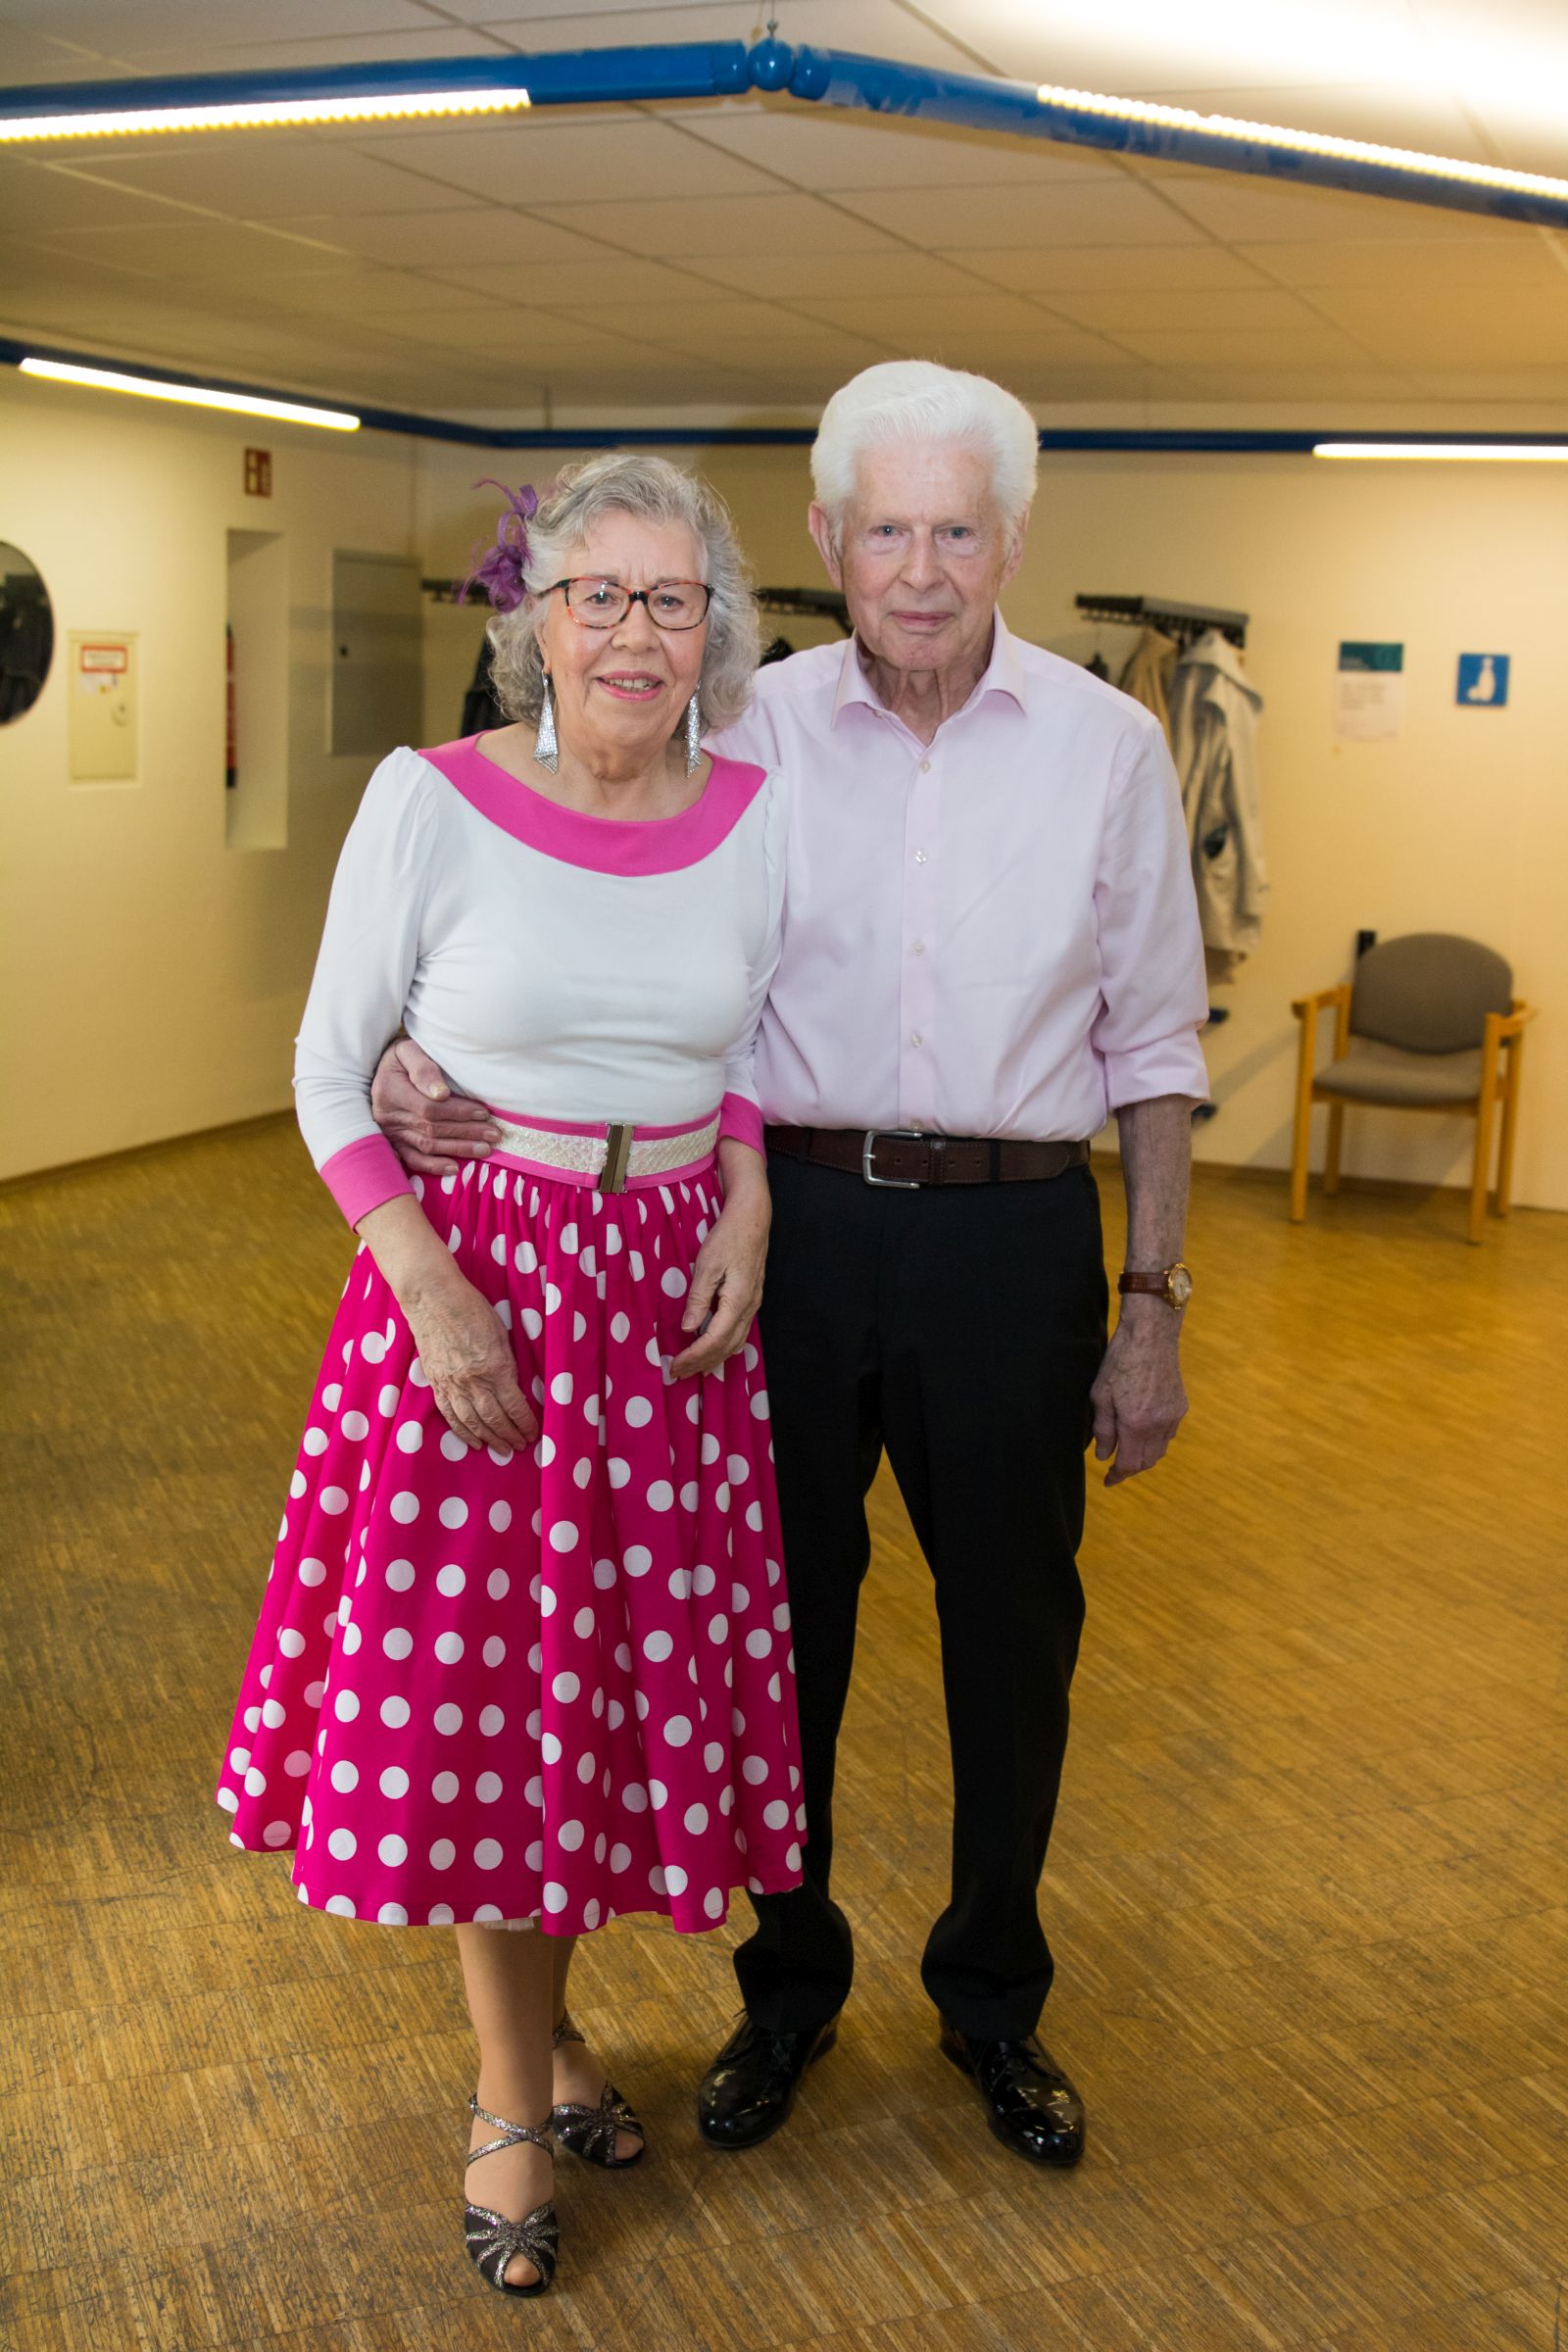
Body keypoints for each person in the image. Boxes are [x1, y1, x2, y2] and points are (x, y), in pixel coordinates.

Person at [372, 360, 1208, 2174]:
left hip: (1013, 1238)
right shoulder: (742, 726)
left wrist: (1151, 1303)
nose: (921, 569)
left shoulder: (1109, 748)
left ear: (1012, 542)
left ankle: (993, 1996)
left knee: (1015, 1635)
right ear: (829, 537)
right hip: (777, 1234)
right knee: (776, 1627)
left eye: (958, 532)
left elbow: (1156, 1046)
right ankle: (790, 1984)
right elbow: (584, 908)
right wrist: (405, 1058)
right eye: (887, 530)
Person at [215, 456, 805, 2299]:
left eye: (672, 600)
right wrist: (428, 1286)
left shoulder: (758, 815)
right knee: (485, 1720)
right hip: (480, 1301)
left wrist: (750, 1192)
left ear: (715, 632)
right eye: (597, 595)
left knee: (592, 1716)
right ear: (535, 621)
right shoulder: (432, 801)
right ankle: (506, 2099)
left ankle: (550, 2047)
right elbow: (329, 1073)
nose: (635, 633)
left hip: (665, 1322)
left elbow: (746, 1046)